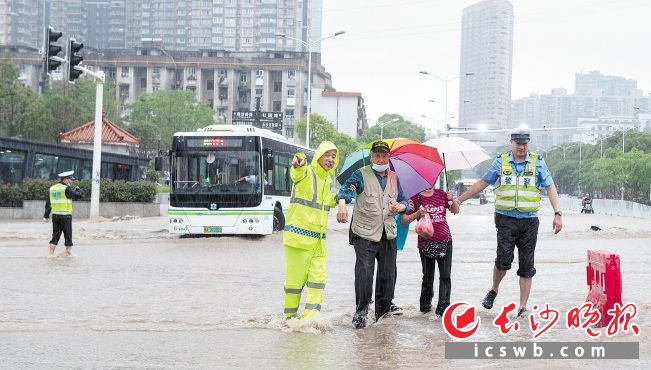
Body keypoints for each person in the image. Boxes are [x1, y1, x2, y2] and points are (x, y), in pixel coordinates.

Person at [454, 128, 563, 318]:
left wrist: (557, 214)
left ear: (528, 144)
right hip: (505, 220)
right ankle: (494, 289)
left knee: (527, 266)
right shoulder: (501, 161)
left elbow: (550, 187)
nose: (521, 147)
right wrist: (459, 200)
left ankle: (522, 307)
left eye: (524, 144)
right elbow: (482, 183)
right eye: (518, 143)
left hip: (529, 222)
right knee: (503, 261)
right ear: (511, 143)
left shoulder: (538, 162)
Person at [336, 140, 410, 329]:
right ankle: (361, 311)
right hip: (365, 233)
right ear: (371, 156)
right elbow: (345, 190)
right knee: (364, 273)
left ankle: (383, 312)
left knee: (388, 274)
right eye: (377, 155)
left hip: (388, 233)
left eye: (384, 155)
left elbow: (404, 200)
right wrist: (343, 206)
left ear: (389, 157)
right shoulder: (360, 175)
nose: (380, 158)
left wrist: (401, 206)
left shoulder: (395, 177)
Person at [282, 141, 339, 320]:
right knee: (294, 284)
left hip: (319, 243)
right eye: (327, 155)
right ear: (319, 156)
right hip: (298, 240)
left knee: (318, 281)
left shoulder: (328, 180)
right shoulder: (307, 173)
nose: (330, 159)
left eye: (334, 156)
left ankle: (310, 320)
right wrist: (298, 163)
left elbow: (328, 201)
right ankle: (289, 320)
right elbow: (297, 173)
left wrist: (343, 197)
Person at [400, 185, 459, 317]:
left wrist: (453, 200)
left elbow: (456, 210)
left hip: (445, 240)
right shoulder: (416, 198)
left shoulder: (442, 194)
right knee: (428, 276)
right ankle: (425, 308)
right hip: (425, 242)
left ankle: (443, 309)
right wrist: (417, 214)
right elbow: (404, 220)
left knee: (445, 275)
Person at [44, 171, 82, 257]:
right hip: (66, 216)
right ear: (66, 179)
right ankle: (69, 254)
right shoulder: (66, 189)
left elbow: (48, 203)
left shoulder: (52, 188)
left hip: (55, 216)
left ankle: (51, 255)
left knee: (55, 236)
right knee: (68, 235)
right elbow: (78, 196)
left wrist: (46, 216)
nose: (71, 181)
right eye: (70, 179)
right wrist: (78, 190)